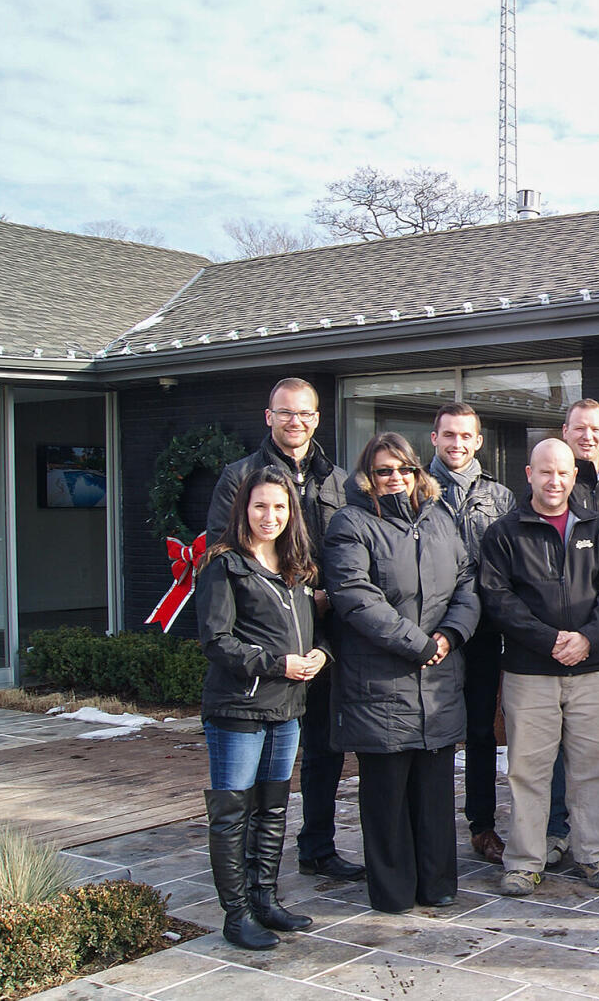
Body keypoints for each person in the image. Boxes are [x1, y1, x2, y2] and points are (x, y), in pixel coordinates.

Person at [206, 377, 360, 882]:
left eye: (305, 413)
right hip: (264, 641)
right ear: (269, 416)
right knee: (258, 768)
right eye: (286, 412)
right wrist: (292, 597)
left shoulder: (339, 481)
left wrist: (329, 600)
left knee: (324, 747)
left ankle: (317, 845)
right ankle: (248, 875)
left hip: (322, 633)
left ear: (317, 419)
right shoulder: (239, 476)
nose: (296, 421)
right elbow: (225, 557)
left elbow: (351, 550)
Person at [323, 433, 479, 914]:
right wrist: (418, 644)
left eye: (404, 469)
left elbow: (467, 582)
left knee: (434, 793)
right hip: (381, 683)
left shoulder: (440, 519)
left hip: (438, 679)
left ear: (417, 472)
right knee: (387, 797)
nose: (396, 478)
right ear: (367, 476)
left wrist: (450, 635)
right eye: (384, 470)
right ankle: (392, 891)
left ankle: (436, 883)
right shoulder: (350, 523)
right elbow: (355, 596)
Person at [479, 439, 599, 896]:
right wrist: (549, 640)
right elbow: (498, 599)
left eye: (563, 472)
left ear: (574, 476)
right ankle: (524, 861)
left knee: (597, 768)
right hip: (530, 672)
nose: (555, 481)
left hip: (592, 669)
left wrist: (587, 638)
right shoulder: (504, 533)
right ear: (529, 474)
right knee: (528, 770)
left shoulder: (598, 527)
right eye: (545, 472)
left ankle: (595, 854)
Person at [196, 465, 327, 950]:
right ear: (243, 509)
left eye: (278, 506)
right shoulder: (224, 564)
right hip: (239, 710)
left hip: (287, 709)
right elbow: (216, 640)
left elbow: (316, 628)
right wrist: (277, 664)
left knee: (272, 807)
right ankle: (237, 915)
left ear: (291, 511)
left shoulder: (297, 567)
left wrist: (321, 653)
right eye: (259, 506)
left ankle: (265, 899)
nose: (269, 516)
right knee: (232, 812)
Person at [542, 398, 599, 864]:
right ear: (565, 432)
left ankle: (595, 826)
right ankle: (556, 825)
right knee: (555, 736)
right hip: (555, 638)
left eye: (595, 428)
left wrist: (598, 629)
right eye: (578, 428)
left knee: (596, 736)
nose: (587, 436)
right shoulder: (552, 486)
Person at [427, 402, 518, 865]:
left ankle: (482, 826)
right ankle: (430, 826)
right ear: (434, 438)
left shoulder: (500, 497)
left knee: (481, 730)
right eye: (449, 435)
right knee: (432, 732)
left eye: (466, 436)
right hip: (430, 634)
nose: (457, 443)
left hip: (482, 632)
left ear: (479, 441)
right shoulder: (415, 490)